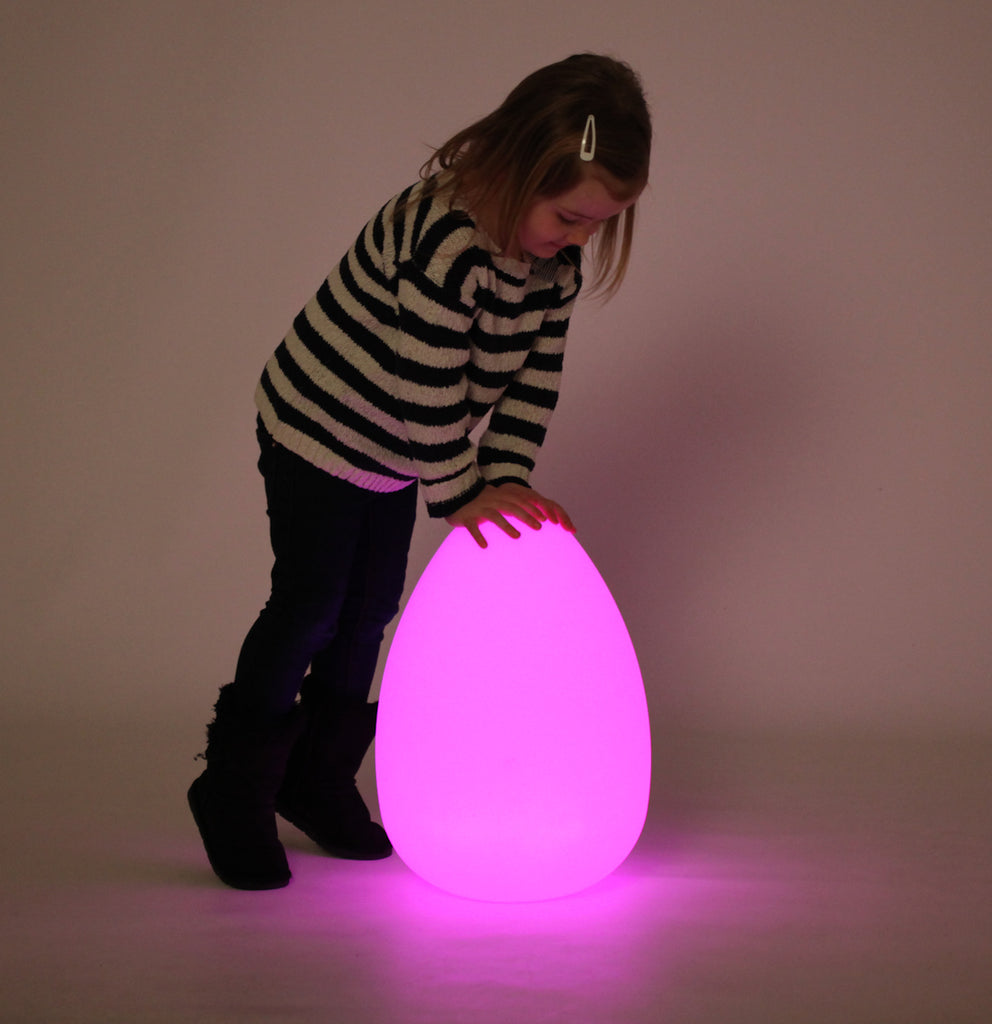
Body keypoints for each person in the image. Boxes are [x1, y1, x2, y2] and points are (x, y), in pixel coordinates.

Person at [188, 53, 653, 890]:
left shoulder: (553, 267)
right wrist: (462, 492)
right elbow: (426, 377)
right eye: (569, 216)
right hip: (319, 427)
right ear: (516, 169)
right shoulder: (445, 236)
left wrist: (503, 473)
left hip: (399, 450)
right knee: (309, 607)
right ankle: (233, 787)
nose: (579, 238)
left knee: (370, 611)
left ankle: (316, 777)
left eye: (598, 223)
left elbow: (531, 378)